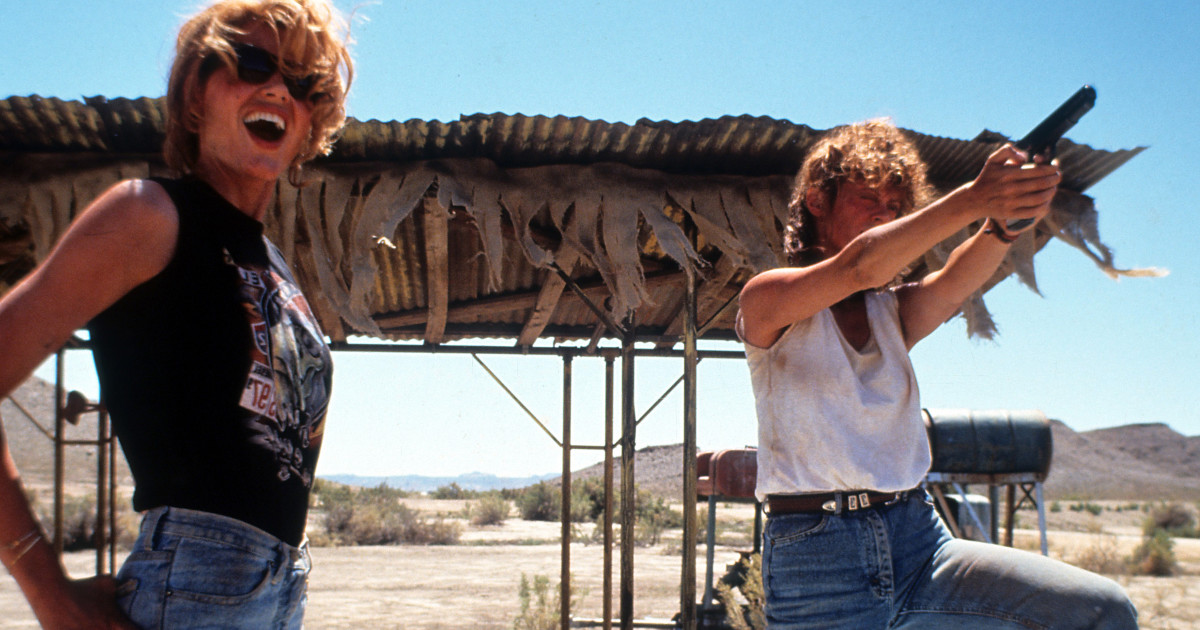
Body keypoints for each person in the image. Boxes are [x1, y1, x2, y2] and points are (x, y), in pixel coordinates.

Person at [0, 1, 352, 627]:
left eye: (304, 83)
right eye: (252, 64)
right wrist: (49, 594)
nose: (279, 89)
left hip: (281, 587)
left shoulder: (273, 263)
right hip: (194, 581)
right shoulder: (147, 213)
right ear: (195, 96)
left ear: (311, 122)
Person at [736, 120, 1137, 629]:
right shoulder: (768, 298)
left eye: (894, 207)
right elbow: (860, 267)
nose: (883, 215)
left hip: (920, 540)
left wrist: (1003, 225)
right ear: (817, 201)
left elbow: (954, 281)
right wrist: (976, 198)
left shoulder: (892, 312)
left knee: (1101, 611)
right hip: (819, 559)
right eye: (867, 198)